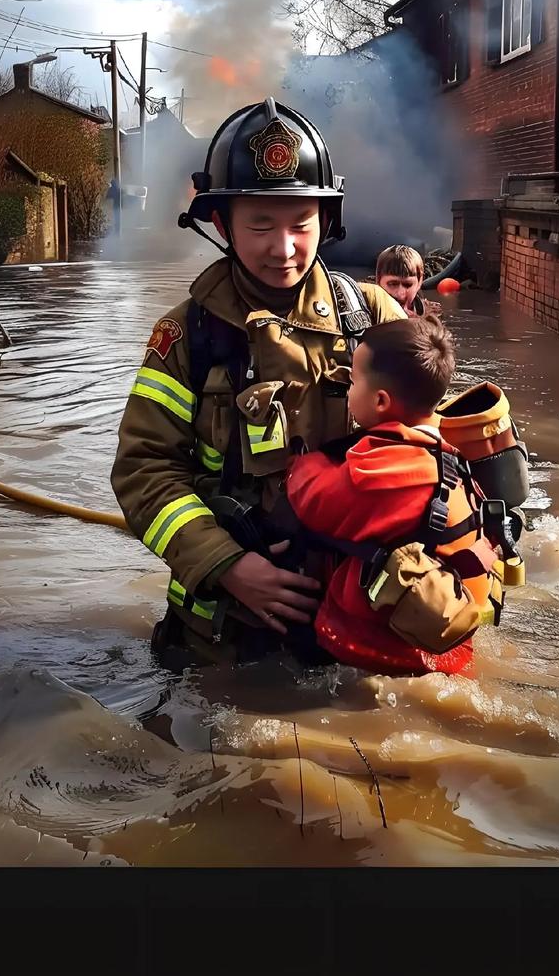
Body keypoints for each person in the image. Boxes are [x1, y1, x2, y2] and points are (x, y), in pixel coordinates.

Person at [111, 97, 405, 666]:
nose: (284, 247)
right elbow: (144, 470)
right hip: (223, 637)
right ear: (221, 223)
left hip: (364, 620)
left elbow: (437, 444)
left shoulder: (374, 319)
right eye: (261, 224)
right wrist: (227, 565)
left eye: (301, 223)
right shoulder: (186, 335)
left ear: (327, 220)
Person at [284, 315, 507, 677]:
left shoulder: (379, 471)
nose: (348, 389)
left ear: (382, 400)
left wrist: (302, 461)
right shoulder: (448, 454)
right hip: (449, 647)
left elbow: (312, 501)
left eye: (353, 381)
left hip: (388, 658)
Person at [375, 244, 441, 318]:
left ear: (419, 282)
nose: (400, 294)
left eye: (408, 285)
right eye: (393, 284)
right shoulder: (366, 310)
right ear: (378, 280)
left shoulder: (431, 313)